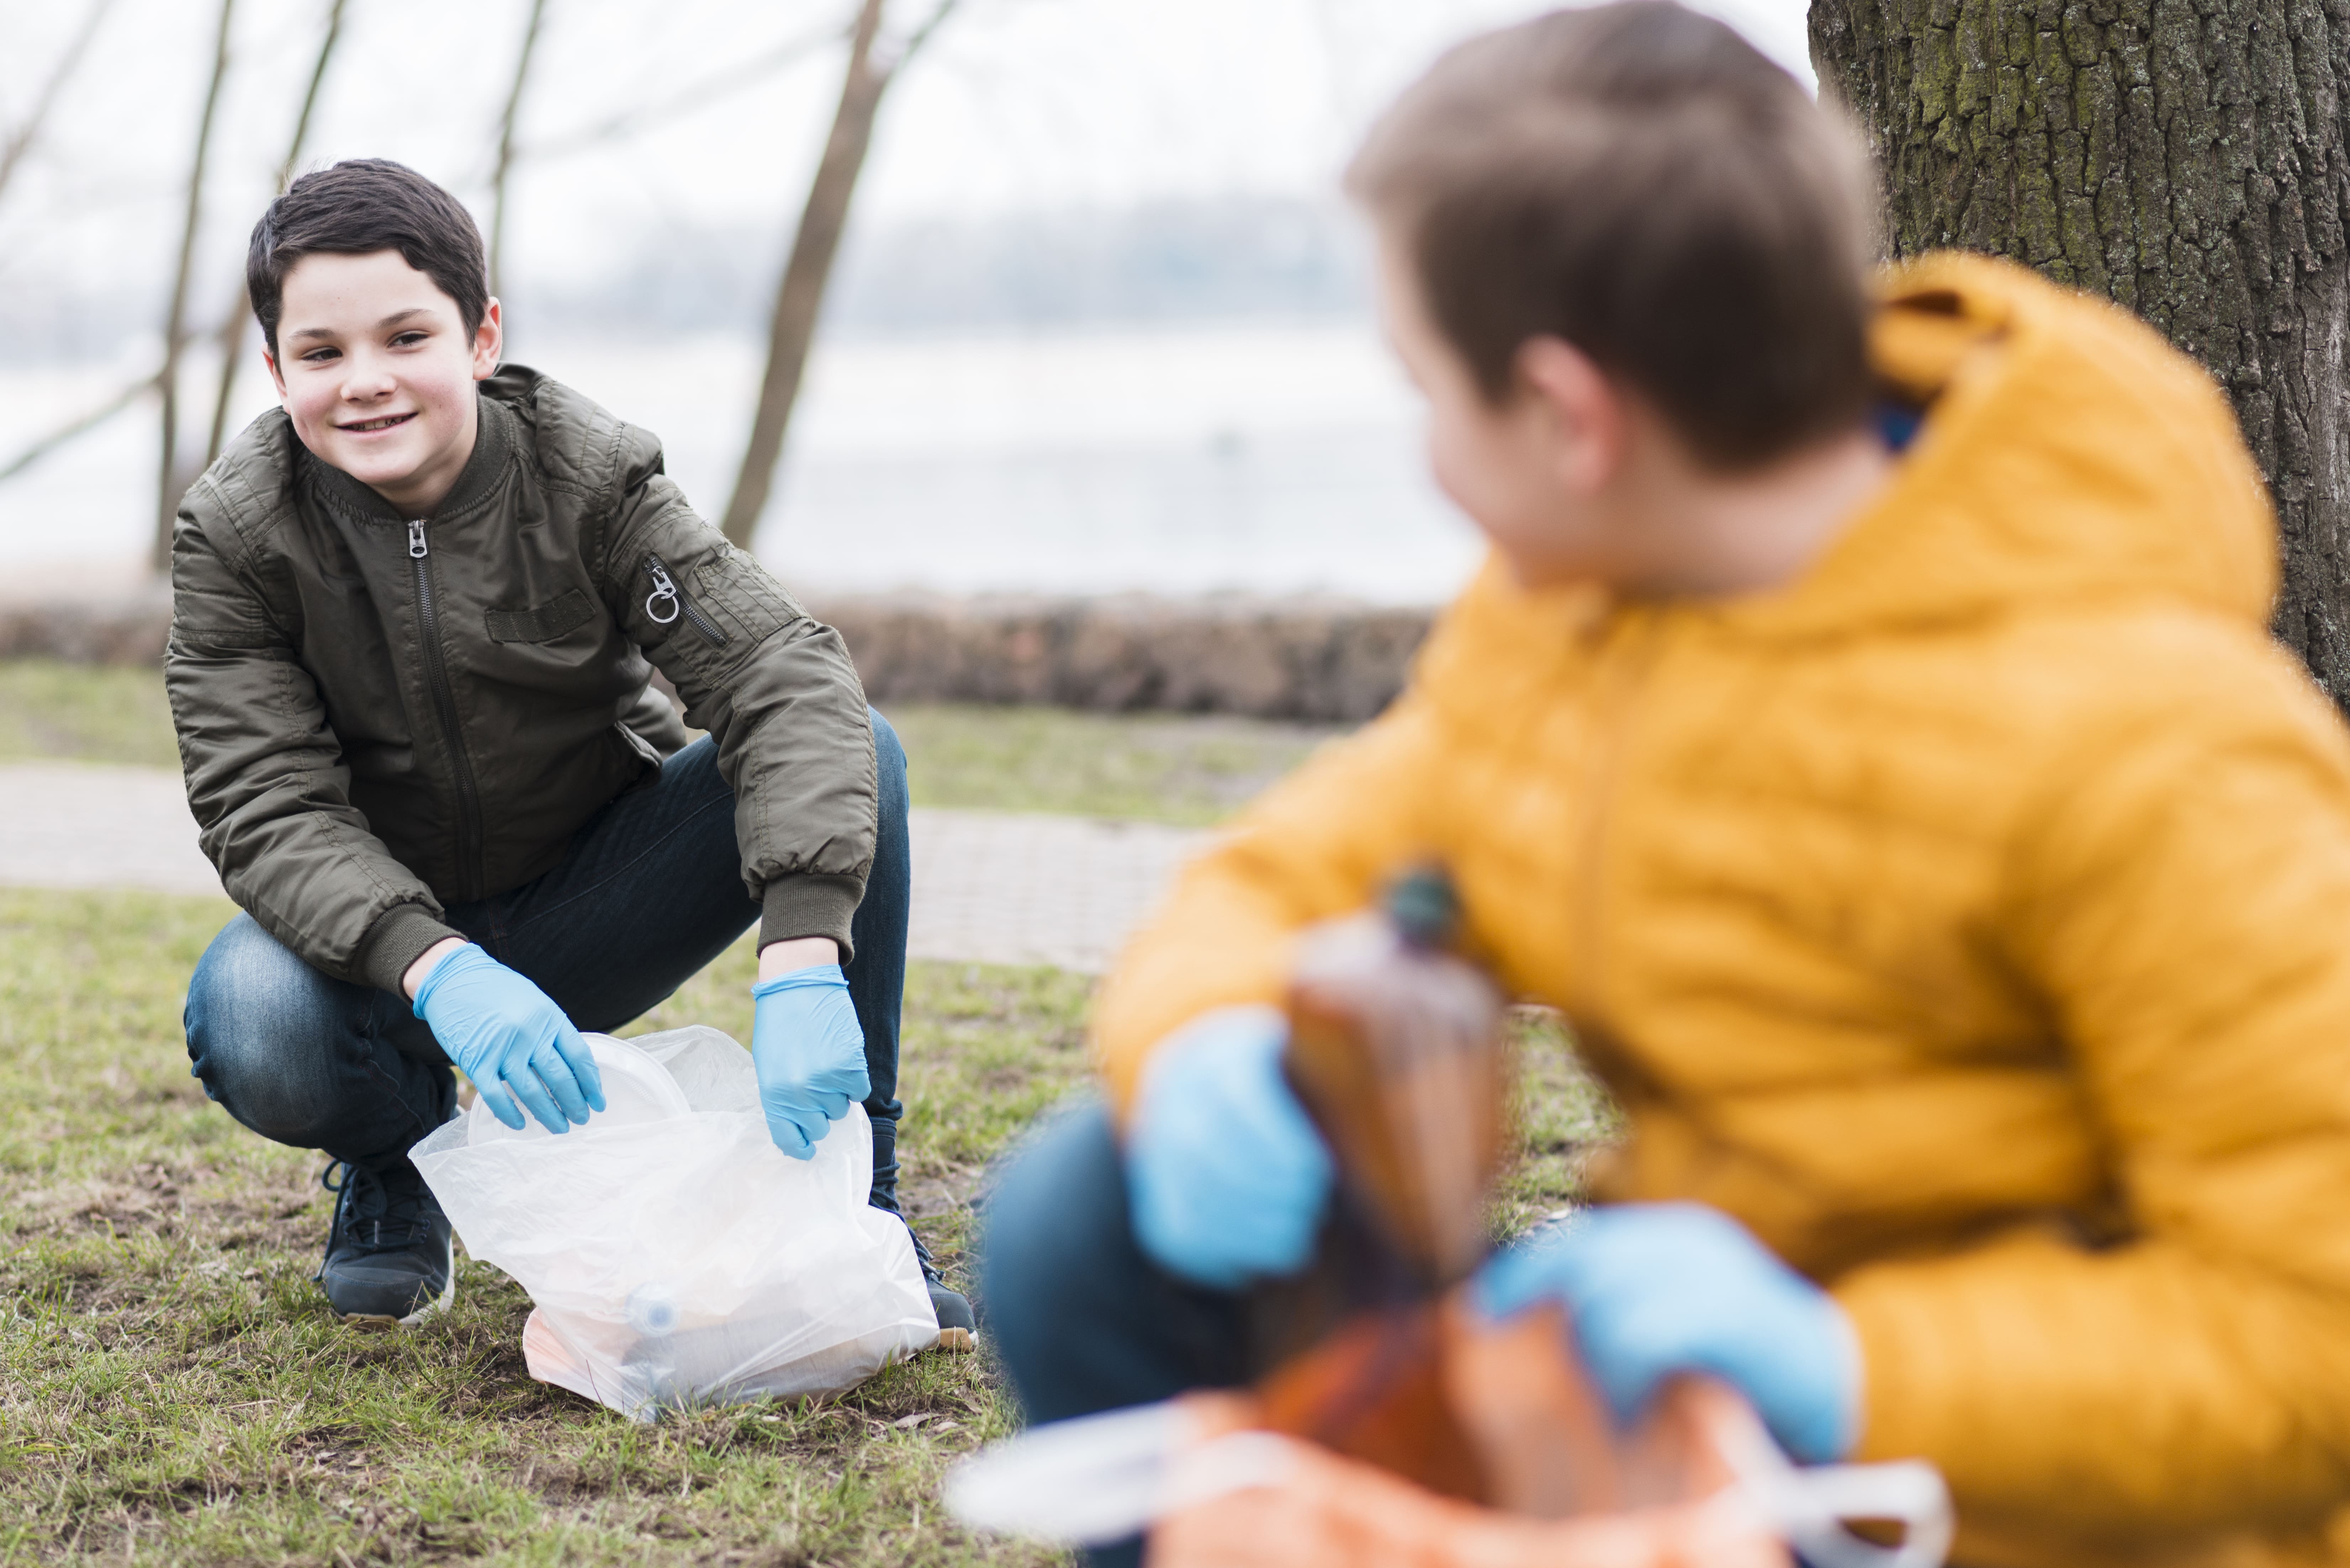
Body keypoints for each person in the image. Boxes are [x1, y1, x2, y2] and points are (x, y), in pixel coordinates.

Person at [980, 5, 2350, 1564]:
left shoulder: (2163, 752)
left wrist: (1850, 1365)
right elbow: (1299, 866)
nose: (1426, 452)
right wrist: (1209, 1025)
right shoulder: (1574, 614)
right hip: (1683, 1388)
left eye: (1425, 385)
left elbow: (2314, 1333)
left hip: (1992, 1489)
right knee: (1085, 1215)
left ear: (1569, 417)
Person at [169, 158, 972, 1345]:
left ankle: (858, 1200)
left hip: (594, 894)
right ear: (279, 368)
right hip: (393, 958)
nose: (369, 382)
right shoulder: (238, 532)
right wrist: (438, 966)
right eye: (324, 353)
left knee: (860, 739)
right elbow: (262, 801)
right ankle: (398, 1172)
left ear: (481, 336)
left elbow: (778, 672)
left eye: (406, 335)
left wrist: (802, 946)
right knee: (251, 1008)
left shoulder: (588, 476)